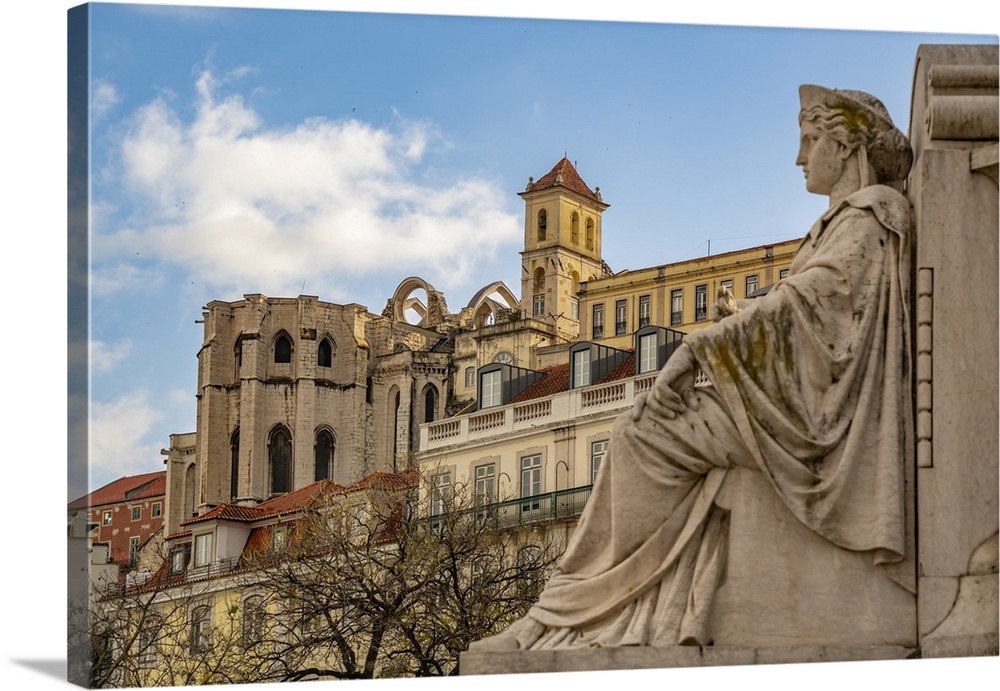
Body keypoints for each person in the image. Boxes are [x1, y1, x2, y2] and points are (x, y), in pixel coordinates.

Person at [471, 85, 915, 651]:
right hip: (796, 397)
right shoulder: (841, 225)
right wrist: (743, 317)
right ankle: (587, 610)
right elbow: (794, 303)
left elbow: (808, 304)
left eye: (810, 141)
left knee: (637, 437)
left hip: (816, 412)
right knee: (638, 429)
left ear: (846, 147)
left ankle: (571, 614)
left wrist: (697, 349)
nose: (800, 157)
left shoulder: (870, 217)